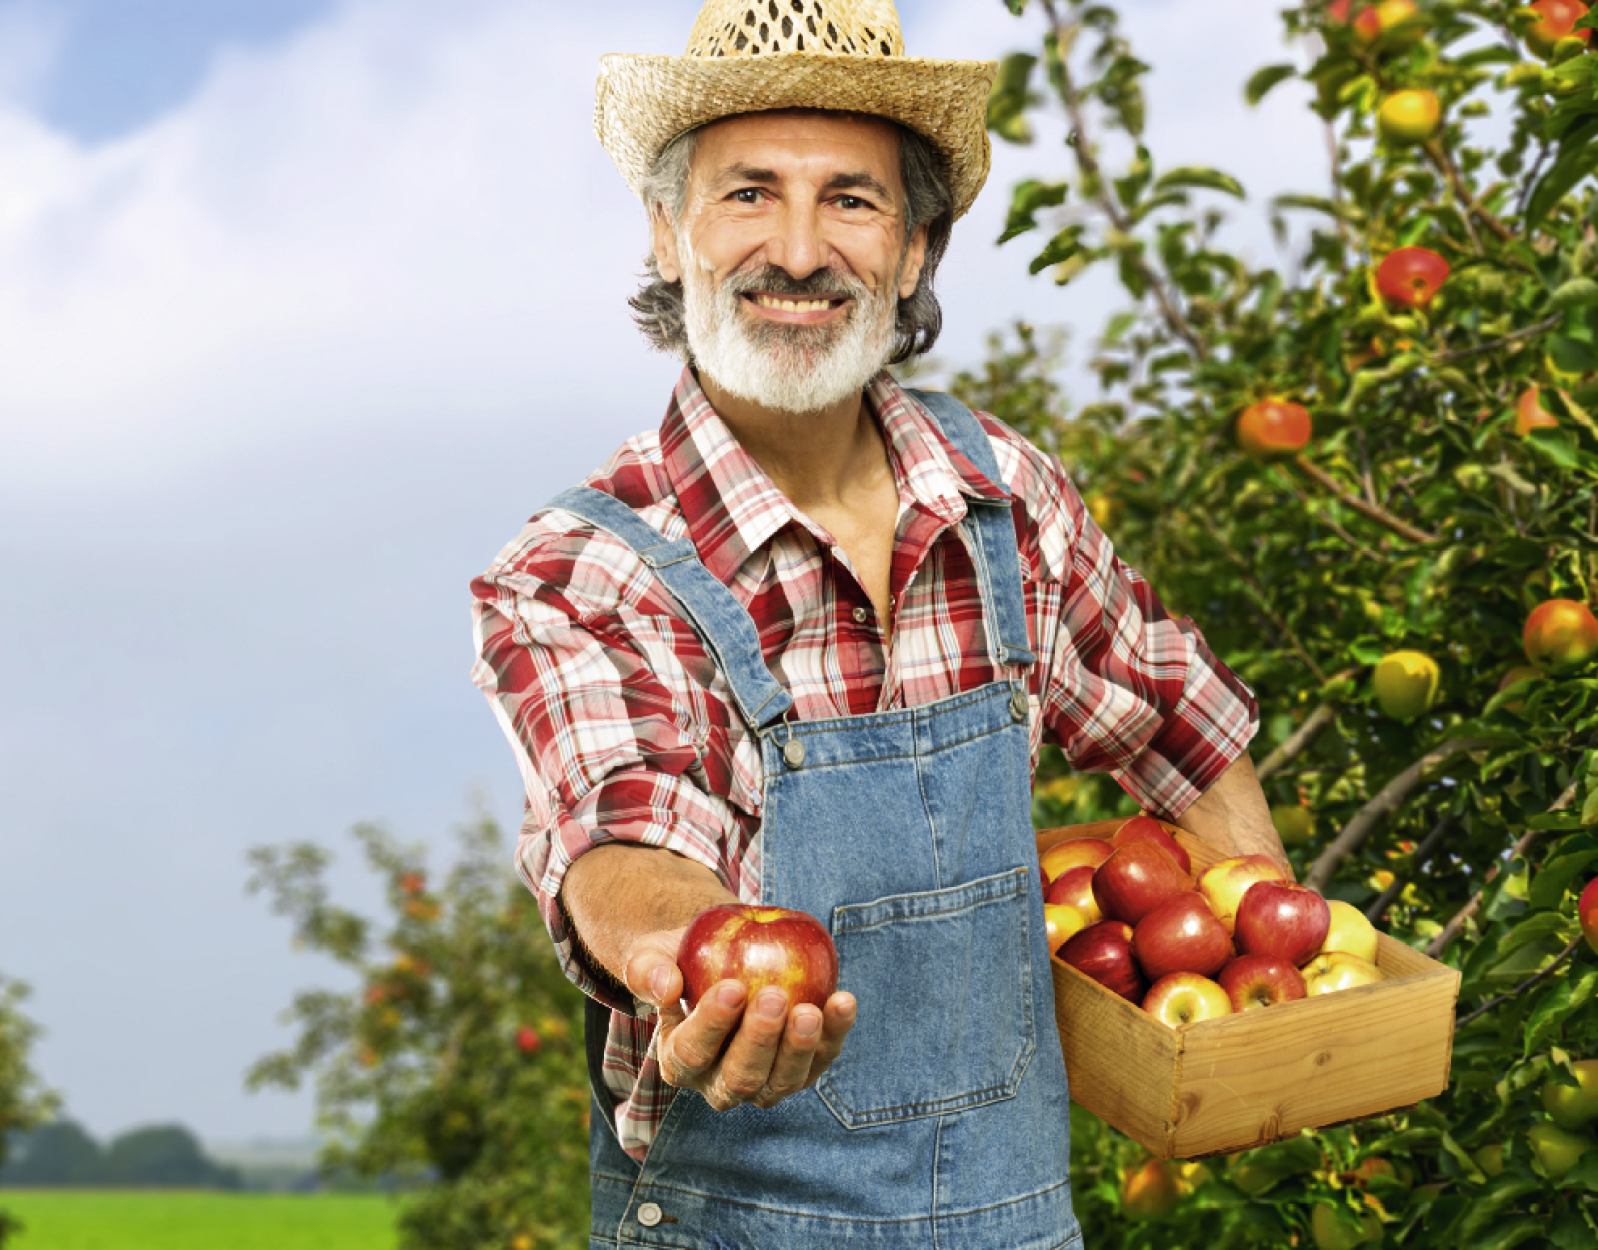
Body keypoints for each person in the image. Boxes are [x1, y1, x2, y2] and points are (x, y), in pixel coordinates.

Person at [467, 1, 1288, 1244]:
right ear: (668, 230)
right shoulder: (586, 566)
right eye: (749, 193)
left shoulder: (1002, 495)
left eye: (850, 200)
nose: (798, 250)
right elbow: (625, 828)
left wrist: (1261, 972)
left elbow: (1179, 726)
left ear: (914, 252)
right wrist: (685, 958)